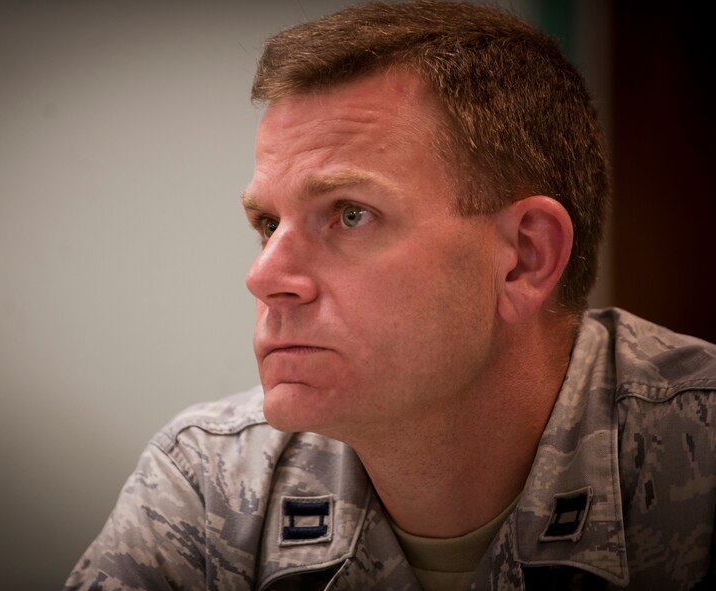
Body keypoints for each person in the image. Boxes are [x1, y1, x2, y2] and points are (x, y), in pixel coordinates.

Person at [64, 1, 716, 589]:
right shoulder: (210, 479)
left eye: (349, 213)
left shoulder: (699, 451)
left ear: (524, 257)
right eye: (266, 224)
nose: (263, 275)